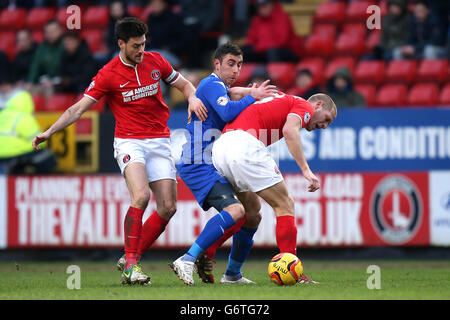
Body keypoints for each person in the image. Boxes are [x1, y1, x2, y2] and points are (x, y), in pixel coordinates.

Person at [32, 17, 207, 286]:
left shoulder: (156, 61)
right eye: (136, 46)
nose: (141, 50)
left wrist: (193, 97)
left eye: (144, 44)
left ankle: (130, 258)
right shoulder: (108, 74)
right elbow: (77, 109)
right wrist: (49, 131)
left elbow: (184, 84)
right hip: (129, 142)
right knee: (141, 196)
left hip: (160, 140)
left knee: (168, 207)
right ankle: (132, 266)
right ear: (121, 44)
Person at [172, 91, 337, 286]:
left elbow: (235, 95)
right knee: (285, 204)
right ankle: (295, 272)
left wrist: (247, 91)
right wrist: (306, 170)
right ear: (318, 105)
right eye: (326, 119)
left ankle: (229, 271)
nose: (324, 126)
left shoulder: (281, 98)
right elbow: (290, 131)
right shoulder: (305, 106)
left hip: (222, 147)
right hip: (244, 146)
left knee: (251, 214)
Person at [171, 42, 276, 285]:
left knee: (253, 213)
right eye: (230, 64)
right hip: (198, 162)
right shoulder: (211, 83)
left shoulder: (218, 87)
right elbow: (228, 112)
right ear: (216, 64)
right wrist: (253, 95)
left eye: (239, 64)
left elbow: (231, 94)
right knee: (237, 211)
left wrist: (245, 92)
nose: (236, 69)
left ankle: (232, 274)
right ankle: (187, 258)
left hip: (214, 161)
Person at [0, 80, 56, 174]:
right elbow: (39, 141)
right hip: (14, 155)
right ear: (28, 102)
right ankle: (36, 182)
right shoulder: (24, 117)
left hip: (3, 157)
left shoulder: (2, 114)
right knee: (46, 155)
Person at [26, 19, 64, 98]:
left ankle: (51, 110)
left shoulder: (66, 45)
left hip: (62, 82)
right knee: (27, 90)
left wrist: (55, 80)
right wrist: (30, 82)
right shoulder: (42, 47)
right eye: (48, 32)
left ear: (61, 30)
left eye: (53, 31)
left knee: (48, 89)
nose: (50, 34)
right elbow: (35, 66)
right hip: (45, 81)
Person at [146, 0, 189, 68]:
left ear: (164, 4)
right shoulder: (151, 19)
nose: (154, 6)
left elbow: (184, 40)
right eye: (152, 3)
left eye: (157, 3)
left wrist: (170, 47)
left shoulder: (174, 19)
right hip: (152, 51)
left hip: (172, 54)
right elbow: (149, 40)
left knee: (152, 60)